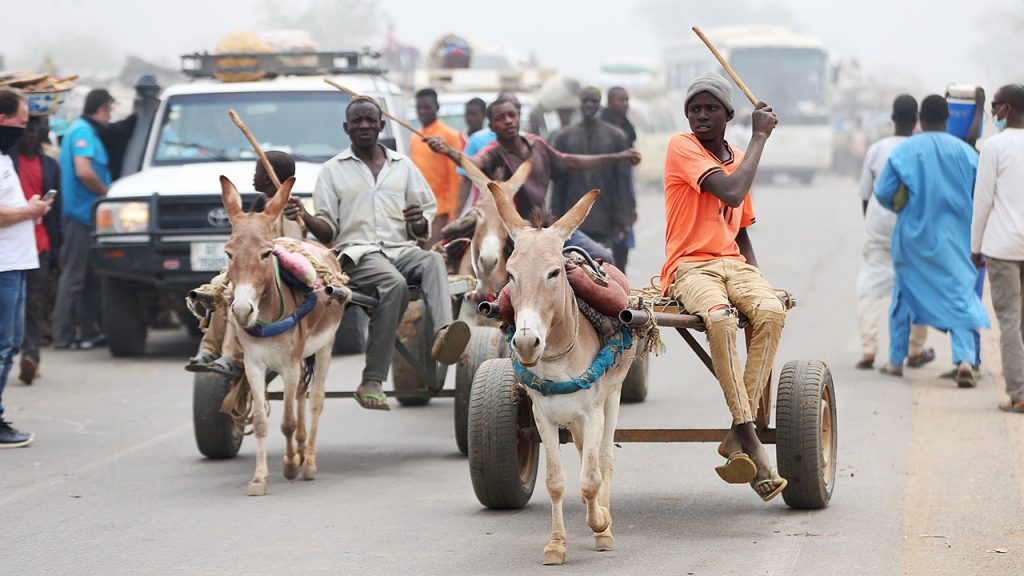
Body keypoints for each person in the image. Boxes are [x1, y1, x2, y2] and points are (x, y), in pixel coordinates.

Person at [285, 96, 470, 411]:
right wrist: (305, 216)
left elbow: (424, 215)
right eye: (357, 121)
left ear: (382, 125)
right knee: (394, 284)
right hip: (358, 254)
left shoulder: (403, 167)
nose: (364, 125)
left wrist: (418, 223)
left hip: (402, 248)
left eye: (370, 119)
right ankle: (372, 380)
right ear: (346, 128)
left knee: (432, 260)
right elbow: (328, 230)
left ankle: (443, 334)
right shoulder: (332, 171)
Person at [659, 73, 787, 501]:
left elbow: (741, 226)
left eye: (710, 108)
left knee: (770, 310)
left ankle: (738, 429)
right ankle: (748, 434)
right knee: (720, 320)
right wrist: (761, 139)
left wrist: (758, 281)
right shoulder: (682, 147)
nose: (700, 115)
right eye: (694, 108)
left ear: (728, 114)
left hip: (733, 264)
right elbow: (731, 193)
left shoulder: (735, 156)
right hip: (691, 268)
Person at [426, 94, 639, 263]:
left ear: (518, 117)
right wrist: (449, 152)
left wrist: (616, 157)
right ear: (491, 127)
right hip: (514, 234)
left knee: (604, 257)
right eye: (500, 118)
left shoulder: (538, 146)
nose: (508, 121)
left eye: (512, 115)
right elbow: (474, 163)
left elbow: (569, 161)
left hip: (546, 228)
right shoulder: (493, 154)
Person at [874, 95, 990, 387]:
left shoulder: (905, 151)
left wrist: (904, 205)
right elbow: (982, 195)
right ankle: (964, 360)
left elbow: (884, 192)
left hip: (913, 237)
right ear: (947, 118)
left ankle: (896, 360)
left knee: (902, 296)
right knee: (960, 295)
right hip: (957, 241)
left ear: (920, 120)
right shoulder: (966, 154)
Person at [186, 151, 300, 377]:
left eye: (256, 172)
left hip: (274, 273)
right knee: (220, 287)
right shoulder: (255, 208)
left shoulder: (287, 210)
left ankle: (230, 355)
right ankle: (209, 349)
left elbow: (292, 246)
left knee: (236, 294)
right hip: (249, 267)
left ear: (267, 177)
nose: (252, 176)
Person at [855, 95, 932, 372]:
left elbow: (866, 192)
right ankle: (914, 349)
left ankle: (868, 348)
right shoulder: (921, 148)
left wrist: (872, 223)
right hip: (912, 227)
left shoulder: (877, 149)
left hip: (878, 224)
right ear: (916, 120)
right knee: (916, 285)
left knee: (871, 285)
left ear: (892, 117)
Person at [0, 88, 53, 447]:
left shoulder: (5, 158)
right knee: (4, 345)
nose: (26, 129)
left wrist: (29, 207)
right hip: (4, 266)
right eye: (21, 122)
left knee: (10, 343)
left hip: (17, 263)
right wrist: (29, 212)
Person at [971, 84, 1024, 412]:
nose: (993, 114)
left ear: (1007, 108)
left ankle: (1019, 393)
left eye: (995, 107)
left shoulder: (994, 146)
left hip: (1003, 247)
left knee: (1009, 320)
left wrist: (975, 247)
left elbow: (983, 201)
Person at [53, 89, 114, 350]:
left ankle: (90, 332)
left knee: (90, 277)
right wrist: (108, 196)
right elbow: (84, 171)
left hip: (88, 217)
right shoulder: (83, 132)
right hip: (81, 215)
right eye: (110, 111)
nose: (111, 117)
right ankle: (62, 335)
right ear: (101, 109)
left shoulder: (84, 131)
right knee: (74, 277)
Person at [550, 87, 633, 266]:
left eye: (593, 101)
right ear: (579, 104)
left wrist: (624, 220)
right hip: (571, 217)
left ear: (599, 105)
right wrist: (554, 217)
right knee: (573, 271)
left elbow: (623, 182)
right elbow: (557, 183)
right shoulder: (564, 136)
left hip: (605, 217)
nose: (588, 105)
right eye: (585, 101)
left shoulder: (616, 136)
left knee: (608, 270)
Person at [12, 114, 62, 384]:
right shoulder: (7, 161)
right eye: (24, 128)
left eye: (34, 129)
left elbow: (58, 212)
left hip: (40, 244)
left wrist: (57, 251)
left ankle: (31, 356)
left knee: (34, 302)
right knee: (13, 303)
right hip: (9, 246)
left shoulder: (50, 165)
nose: (28, 134)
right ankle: (11, 352)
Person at [409, 88, 463, 245]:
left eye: (427, 108)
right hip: (419, 212)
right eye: (419, 108)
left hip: (441, 212)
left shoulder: (449, 136)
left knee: (432, 256)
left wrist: (453, 216)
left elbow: (456, 178)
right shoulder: (415, 136)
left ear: (437, 108)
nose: (422, 112)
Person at [600, 86, 638, 269]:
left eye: (626, 100)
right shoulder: (601, 128)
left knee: (622, 248)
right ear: (609, 101)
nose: (625, 104)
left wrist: (631, 206)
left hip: (624, 187)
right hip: (604, 191)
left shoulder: (627, 128)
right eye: (620, 100)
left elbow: (627, 176)